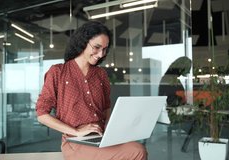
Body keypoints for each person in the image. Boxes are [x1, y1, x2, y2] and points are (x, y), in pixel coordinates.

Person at [35, 21, 147, 160]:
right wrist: (76, 131)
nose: (101, 54)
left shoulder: (101, 74)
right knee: (137, 151)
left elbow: (106, 108)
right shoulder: (57, 72)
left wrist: (110, 132)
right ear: (83, 42)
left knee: (136, 147)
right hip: (74, 141)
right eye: (97, 47)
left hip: (100, 138)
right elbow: (42, 114)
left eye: (105, 49)